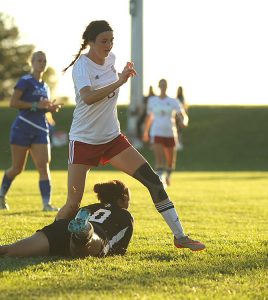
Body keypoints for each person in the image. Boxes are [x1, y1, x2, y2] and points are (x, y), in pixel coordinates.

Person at [58, 20, 205, 251]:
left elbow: (110, 84)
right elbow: (87, 97)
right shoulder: (81, 66)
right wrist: (119, 81)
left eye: (111, 41)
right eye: (104, 41)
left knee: (154, 181)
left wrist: (122, 74)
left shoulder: (112, 59)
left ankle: (180, 236)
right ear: (90, 42)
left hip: (112, 139)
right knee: (72, 204)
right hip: (84, 140)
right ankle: (50, 241)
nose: (108, 45)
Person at [0, 180, 134, 258]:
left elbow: (62, 217)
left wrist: (56, 233)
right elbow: (118, 251)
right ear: (123, 198)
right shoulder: (126, 216)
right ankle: (85, 232)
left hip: (61, 228)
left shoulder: (89, 207)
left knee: (6, 250)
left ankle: (82, 231)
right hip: (98, 234)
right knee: (96, 243)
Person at [0, 51, 62, 211]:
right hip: (22, 129)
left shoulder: (45, 86)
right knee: (17, 168)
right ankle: (1, 193)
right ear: (31, 62)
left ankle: (47, 204)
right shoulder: (25, 81)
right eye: (39, 60)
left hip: (40, 130)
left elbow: (45, 109)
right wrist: (34, 106)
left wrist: (51, 109)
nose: (42, 63)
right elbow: (13, 102)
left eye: (44, 60)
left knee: (44, 166)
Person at [143, 79, 189, 187]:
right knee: (159, 158)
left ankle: (168, 176)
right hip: (156, 132)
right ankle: (160, 181)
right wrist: (146, 132)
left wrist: (184, 122)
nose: (163, 86)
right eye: (161, 85)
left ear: (167, 86)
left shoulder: (173, 101)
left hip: (170, 133)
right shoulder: (152, 100)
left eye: (164, 85)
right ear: (158, 86)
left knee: (170, 161)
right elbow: (149, 117)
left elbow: (183, 115)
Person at [175, 86, 188, 151]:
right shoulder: (176, 98)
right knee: (176, 130)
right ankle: (177, 143)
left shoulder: (182, 98)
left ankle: (180, 143)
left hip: (180, 116)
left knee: (179, 131)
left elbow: (183, 107)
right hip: (176, 116)